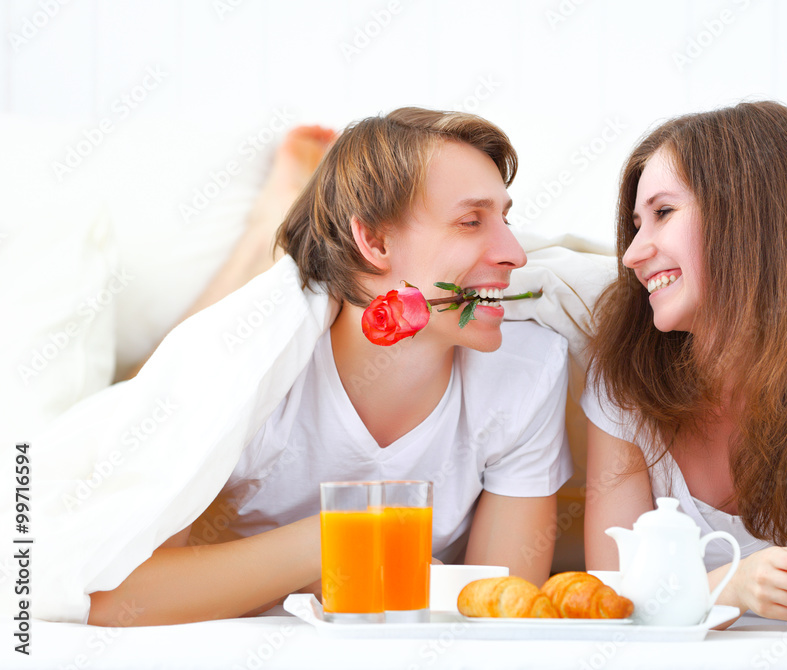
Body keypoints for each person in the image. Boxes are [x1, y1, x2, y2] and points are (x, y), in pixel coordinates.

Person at [88, 107, 573, 626]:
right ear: (375, 242)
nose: (515, 254)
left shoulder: (527, 368)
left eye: (505, 219)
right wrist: (333, 542)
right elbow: (114, 595)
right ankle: (266, 232)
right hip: (160, 396)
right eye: (471, 221)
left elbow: (501, 609)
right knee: (143, 381)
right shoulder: (247, 368)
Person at [582, 101, 787, 636]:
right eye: (634, 224)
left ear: (745, 215)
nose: (632, 254)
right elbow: (607, 596)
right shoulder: (625, 377)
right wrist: (734, 582)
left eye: (662, 213)